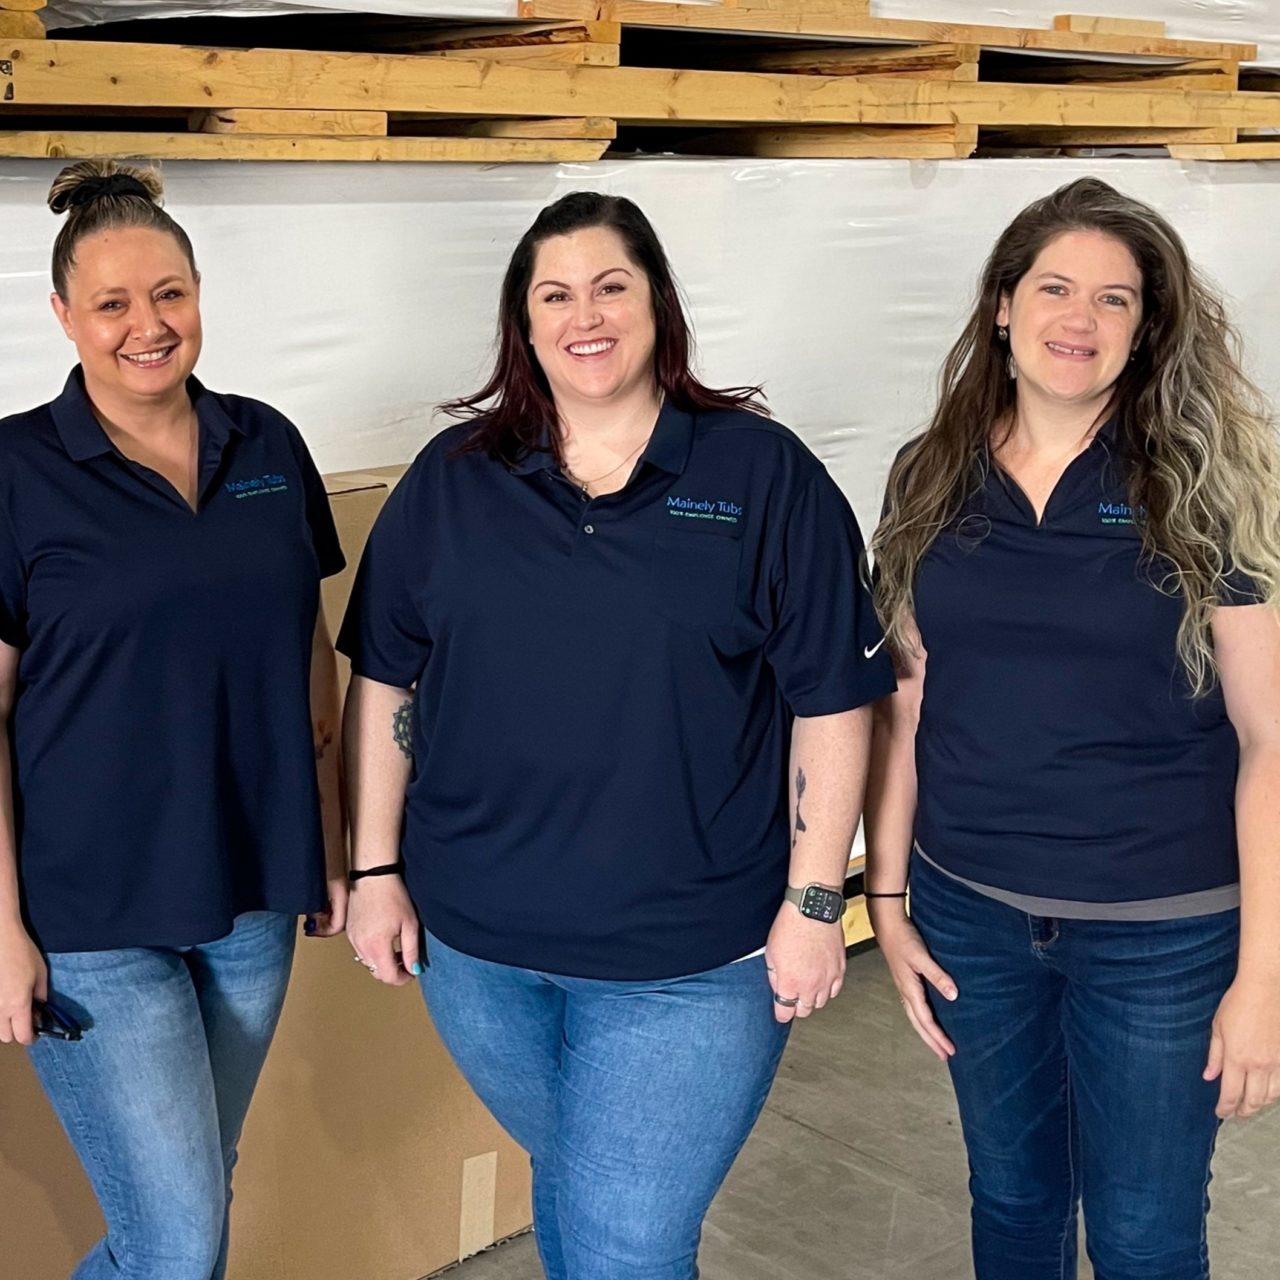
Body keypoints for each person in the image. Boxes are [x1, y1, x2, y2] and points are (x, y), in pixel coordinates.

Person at [338, 190, 894, 1279]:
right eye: (554, 293)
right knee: (581, 1198)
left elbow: (833, 699)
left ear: (656, 305)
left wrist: (817, 898)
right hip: (477, 950)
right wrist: (373, 867)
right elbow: (386, 680)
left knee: (623, 1244)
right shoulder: (452, 481)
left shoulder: (758, 475)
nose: (583, 315)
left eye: (609, 286)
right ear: (523, 323)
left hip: (690, 959)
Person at [865, 176, 1280, 1280]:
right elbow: (905, 704)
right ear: (1000, 304)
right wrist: (887, 897)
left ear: (1145, 331)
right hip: (973, 913)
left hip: (1165, 929)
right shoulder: (930, 472)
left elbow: (1270, 741)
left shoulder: (1205, 485)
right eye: (1053, 287)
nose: (1077, 320)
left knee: (1144, 1233)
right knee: (1010, 1200)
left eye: (1113, 299)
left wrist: (1264, 976)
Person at [0, 160, 349, 1280]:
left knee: (190, 1200)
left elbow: (305, 645)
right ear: (62, 315)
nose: (147, 326)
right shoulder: (13, 471)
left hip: (249, 890)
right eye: (112, 303)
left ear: (199, 294)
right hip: (88, 913)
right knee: (178, 1238)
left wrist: (331, 834)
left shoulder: (268, 446)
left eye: (169, 294)